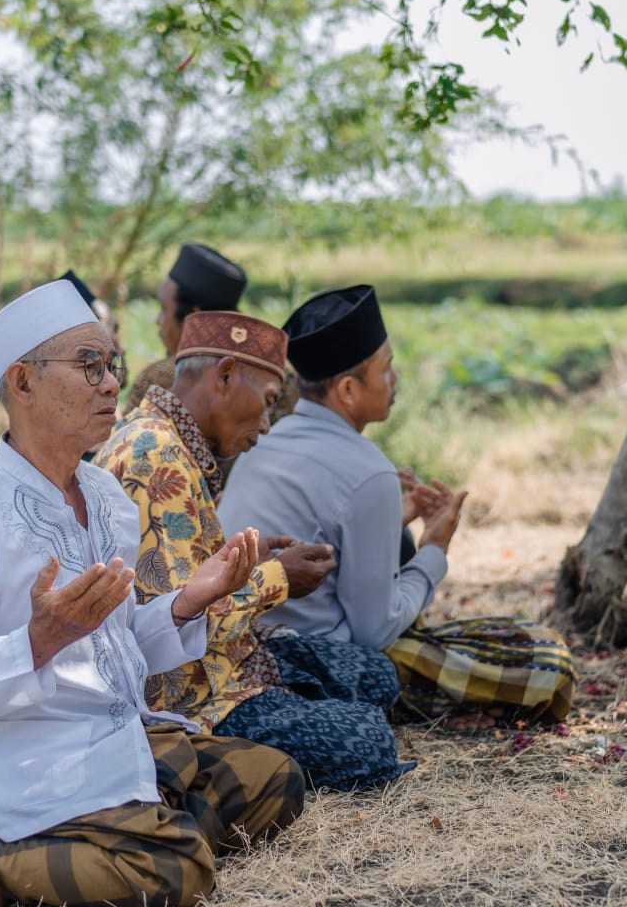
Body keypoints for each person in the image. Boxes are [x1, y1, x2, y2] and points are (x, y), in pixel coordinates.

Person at [0, 280, 303, 907]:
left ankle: (27, 873)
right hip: (26, 763)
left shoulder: (106, 498)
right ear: (24, 383)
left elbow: (113, 648)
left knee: (275, 779)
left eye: (111, 365)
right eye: (89, 366)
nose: (112, 384)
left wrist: (188, 600)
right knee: (177, 872)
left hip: (113, 737)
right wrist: (39, 642)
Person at [218, 285, 576, 725]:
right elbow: (375, 633)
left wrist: (390, 520)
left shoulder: (266, 441)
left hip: (238, 648)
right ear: (348, 390)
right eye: (386, 368)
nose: (396, 379)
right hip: (320, 663)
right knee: (547, 662)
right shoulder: (368, 472)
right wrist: (433, 551)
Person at [96, 310, 412, 790]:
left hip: (229, 657)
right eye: (266, 403)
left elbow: (184, 576)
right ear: (225, 376)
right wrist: (278, 578)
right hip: (190, 695)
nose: (266, 425)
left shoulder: (164, 437)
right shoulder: (157, 456)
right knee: (366, 740)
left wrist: (248, 559)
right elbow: (176, 627)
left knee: (375, 676)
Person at [125, 244, 248, 410]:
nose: (158, 320)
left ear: (192, 318)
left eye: (164, 309)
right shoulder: (262, 379)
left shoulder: (157, 378)